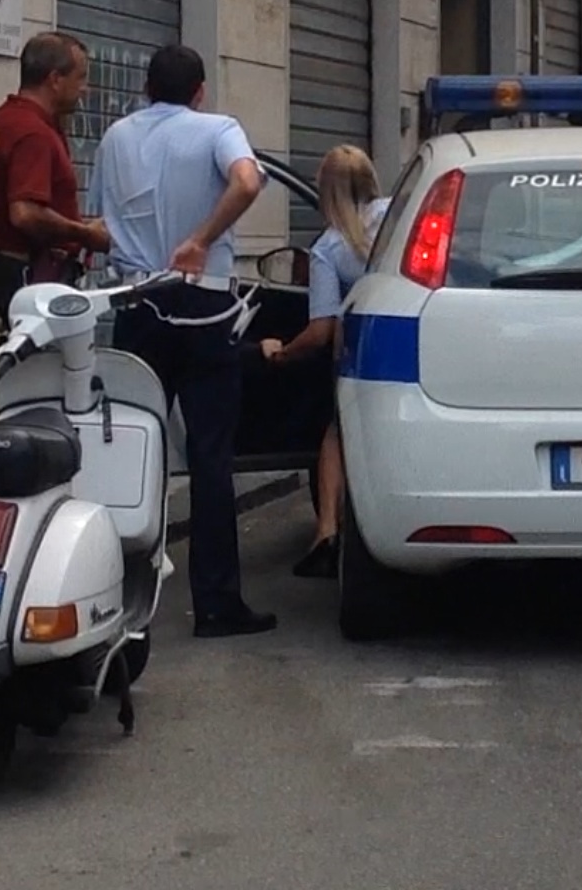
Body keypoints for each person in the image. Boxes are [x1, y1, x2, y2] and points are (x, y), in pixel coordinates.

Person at [91, 44, 272, 639]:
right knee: (210, 457)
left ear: (146, 89)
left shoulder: (115, 138)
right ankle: (217, 604)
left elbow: (100, 222)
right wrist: (200, 238)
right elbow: (248, 181)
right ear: (199, 90)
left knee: (129, 453)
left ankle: (109, 595)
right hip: (203, 304)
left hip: (137, 304)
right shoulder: (218, 129)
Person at [258, 145, 390, 579]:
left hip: (359, 357)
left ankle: (328, 532)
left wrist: (282, 352)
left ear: (325, 192)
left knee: (336, 434)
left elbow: (320, 331)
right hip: (413, 348)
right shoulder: (399, 219)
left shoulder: (329, 249)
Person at [0, 31, 111, 338]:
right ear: (55, 79)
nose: (85, 89)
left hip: (9, 269)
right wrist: (85, 234)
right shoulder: (33, 133)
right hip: (32, 278)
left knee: (21, 377)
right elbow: (24, 212)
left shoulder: (2, 120)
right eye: (80, 78)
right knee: (42, 378)